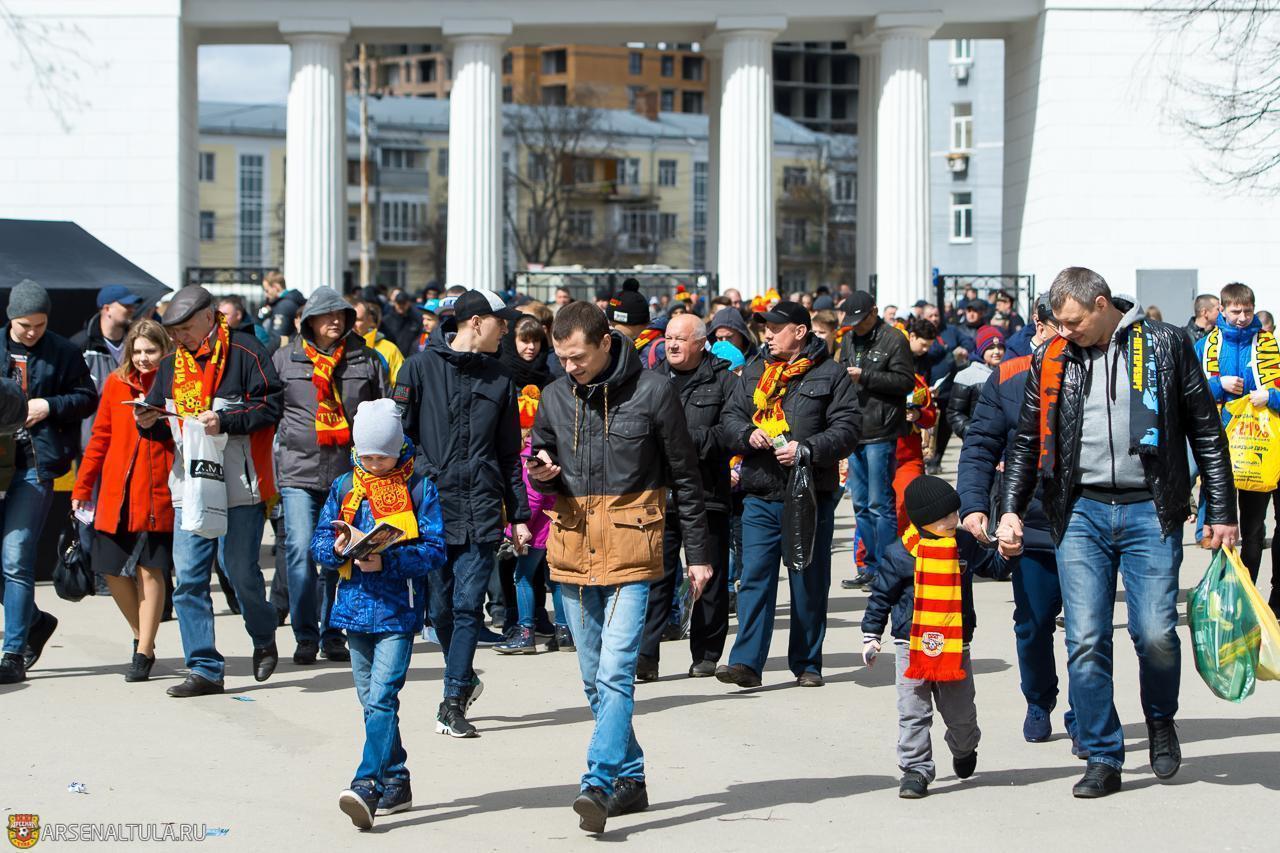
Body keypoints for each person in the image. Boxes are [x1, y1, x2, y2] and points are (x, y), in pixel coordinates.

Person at [998, 267, 1238, 798]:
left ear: (1103, 305)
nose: (1064, 331)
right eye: (1059, 323)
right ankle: (1102, 754)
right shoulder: (1052, 357)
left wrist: (1221, 510)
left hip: (1151, 510)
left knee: (1155, 634)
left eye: (1073, 322)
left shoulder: (1166, 345)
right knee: (1085, 639)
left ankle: (1160, 720)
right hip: (1079, 512)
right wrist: (1010, 509)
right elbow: (1026, 440)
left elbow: (1206, 431)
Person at [526, 302, 710, 834]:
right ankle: (631, 777)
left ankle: (599, 782)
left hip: (633, 550)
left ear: (606, 342)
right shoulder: (554, 396)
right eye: (561, 358)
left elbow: (686, 477)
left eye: (577, 357)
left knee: (615, 673)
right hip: (571, 551)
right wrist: (542, 473)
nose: (569, 367)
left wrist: (698, 555)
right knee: (592, 680)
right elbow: (538, 464)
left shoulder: (654, 391)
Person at [394, 288, 531, 738]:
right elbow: (401, 440)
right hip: (432, 509)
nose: (505, 331)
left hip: (483, 508)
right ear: (475, 322)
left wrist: (519, 515)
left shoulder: (501, 378)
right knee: (441, 610)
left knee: (469, 606)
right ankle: (465, 676)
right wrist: (427, 475)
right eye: (500, 322)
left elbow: (510, 454)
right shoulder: (418, 368)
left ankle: (452, 701)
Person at [137, 285, 284, 697]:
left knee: (240, 571)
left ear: (209, 316)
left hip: (240, 484)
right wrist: (146, 422)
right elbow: (159, 418)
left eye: (185, 328)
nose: (178, 337)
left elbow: (271, 405)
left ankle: (263, 634)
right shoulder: (171, 365)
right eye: (173, 331)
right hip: (191, 486)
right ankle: (204, 667)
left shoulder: (246, 351)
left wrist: (226, 420)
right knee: (188, 579)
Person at [310, 399, 447, 830]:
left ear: (398, 447)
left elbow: (435, 550)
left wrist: (387, 561)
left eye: (382, 457)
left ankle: (366, 783)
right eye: (367, 457)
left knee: (383, 697)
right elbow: (319, 541)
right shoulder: (344, 486)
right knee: (371, 704)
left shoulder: (419, 487)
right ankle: (397, 780)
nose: (374, 465)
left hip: (397, 610)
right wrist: (336, 550)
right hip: (352, 608)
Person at [719, 300, 859, 688]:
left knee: (808, 581)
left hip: (810, 495)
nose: (767, 334)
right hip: (760, 492)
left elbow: (848, 428)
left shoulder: (830, 373)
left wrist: (807, 449)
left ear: (799, 331)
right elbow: (730, 417)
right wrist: (747, 434)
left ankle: (807, 664)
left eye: (775, 328)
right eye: (765, 328)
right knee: (754, 578)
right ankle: (746, 663)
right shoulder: (755, 371)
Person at [958, 306, 1076, 746]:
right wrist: (973, 505)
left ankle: (1085, 713)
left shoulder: (1096, 369)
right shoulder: (1009, 375)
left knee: (1087, 629)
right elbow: (980, 445)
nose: (1070, 333)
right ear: (1039, 327)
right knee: (1033, 622)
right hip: (1028, 522)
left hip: (1088, 521)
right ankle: (1039, 700)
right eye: (1061, 325)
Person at [861, 476, 1000, 799]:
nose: (954, 520)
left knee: (961, 715)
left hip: (955, 644)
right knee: (913, 712)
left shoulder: (963, 543)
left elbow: (992, 567)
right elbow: (881, 596)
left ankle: (964, 747)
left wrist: (1007, 550)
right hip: (909, 644)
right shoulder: (900, 553)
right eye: (945, 516)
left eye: (955, 513)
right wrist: (871, 635)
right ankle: (916, 769)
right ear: (924, 520)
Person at [273, 287, 388, 665]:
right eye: (326, 315)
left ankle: (333, 633)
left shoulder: (366, 359)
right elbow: (270, 411)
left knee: (341, 556)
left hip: (348, 475)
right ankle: (305, 635)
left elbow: (385, 413)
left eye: (341, 315)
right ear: (309, 321)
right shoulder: (285, 359)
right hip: (298, 471)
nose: (335, 321)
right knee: (299, 551)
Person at [0, 280, 98, 684]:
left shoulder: (64, 351)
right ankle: (35, 621)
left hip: (35, 466)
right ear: (11, 318)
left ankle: (12, 653)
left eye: (39, 325)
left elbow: (87, 398)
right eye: (25, 325)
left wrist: (49, 405)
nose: (32, 332)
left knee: (16, 557)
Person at [636, 314, 739, 680]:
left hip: (707, 493)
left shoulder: (725, 380)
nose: (672, 345)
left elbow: (731, 432)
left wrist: (686, 441)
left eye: (680, 338)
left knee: (707, 577)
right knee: (656, 578)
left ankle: (706, 654)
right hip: (659, 495)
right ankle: (645, 655)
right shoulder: (651, 379)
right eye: (668, 338)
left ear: (700, 342)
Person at [72, 320, 174, 682]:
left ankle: (143, 650)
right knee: (110, 568)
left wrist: (160, 420)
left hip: (159, 489)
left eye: (151, 351)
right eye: (138, 350)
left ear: (165, 351)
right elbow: (99, 437)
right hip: (117, 490)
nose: (144, 358)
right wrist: (82, 487)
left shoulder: (176, 383)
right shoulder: (117, 383)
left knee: (150, 569)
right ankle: (142, 635)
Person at [1194, 282, 1280, 614]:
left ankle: (1248, 598)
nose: (1242, 317)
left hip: (1258, 449)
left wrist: (1269, 396)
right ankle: (1224, 596)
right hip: (1219, 449)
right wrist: (1219, 385)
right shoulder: (1206, 345)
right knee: (1221, 528)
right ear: (1222, 310)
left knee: (1254, 529)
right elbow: (1188, 393)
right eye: (1235, 311)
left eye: (1247, 311)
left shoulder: (1268, 344)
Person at [839, 291, 915, 586]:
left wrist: (865, 376)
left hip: (881, 430)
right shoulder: (848, 338)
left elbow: (905, 382)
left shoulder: (894, 339)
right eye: (852, 321)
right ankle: (870, 566)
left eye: (861, 320)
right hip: (854, 429)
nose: (856, 326)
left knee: (878, 503)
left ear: (874, 312)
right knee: (860, 503)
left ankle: (887, 567)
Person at [946, 325, 1005, 438]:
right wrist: (972, 433)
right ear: (981, 350)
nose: (997, 351)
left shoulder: (1009, 372)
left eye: (1000, 347)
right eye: (991, 347)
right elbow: (954, 413)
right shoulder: (967, 376)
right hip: (978, 442)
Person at [606, 279, 665, 368]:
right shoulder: (623, 346)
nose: (610, 329)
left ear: (635, 324)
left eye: (613, 325)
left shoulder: (660, 350)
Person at [353, 299, 405, 384]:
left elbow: (402, 384)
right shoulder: (336, 347)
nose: (352, 324)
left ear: (370, 320)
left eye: (357, 320)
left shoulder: (390, 350)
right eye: (349, 319)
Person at [258, 271, 305, 340]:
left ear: (276, 287)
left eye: (267, 290)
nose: (266, 295)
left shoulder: (283, 306)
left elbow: (277, 338)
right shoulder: (289, 301)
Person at [382, 290, 425, 358]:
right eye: (399, 303)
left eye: (404, 303)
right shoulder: (386, 320)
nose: (401, 306)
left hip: (411, 357)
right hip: (391, 357)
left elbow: (420, 338)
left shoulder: (416, 319)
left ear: (408, 303)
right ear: (395, 303)